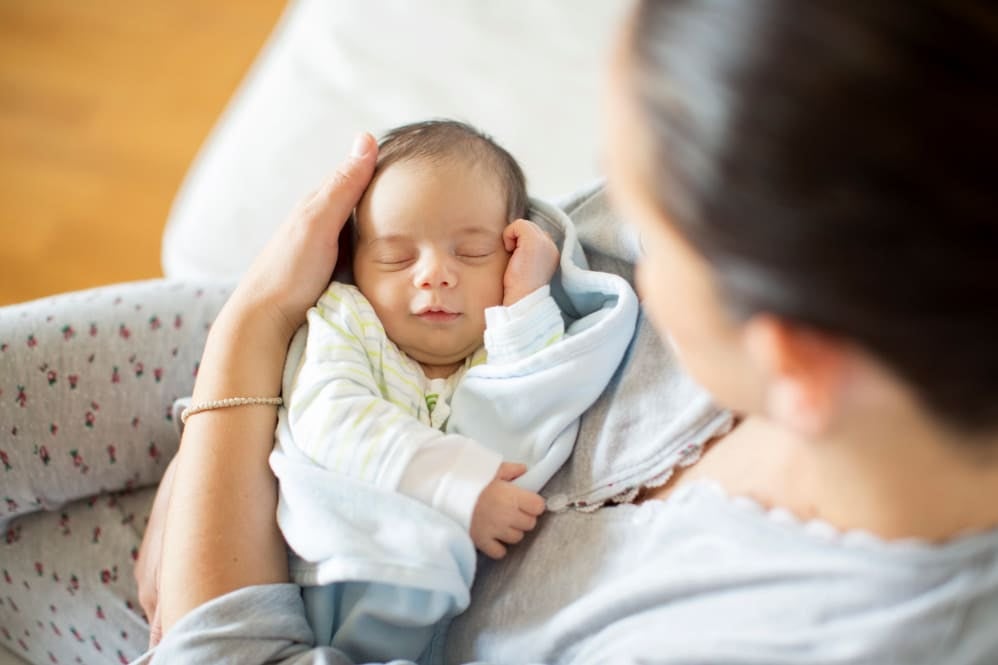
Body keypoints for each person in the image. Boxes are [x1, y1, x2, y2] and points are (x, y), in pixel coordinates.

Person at [1, 1, 996, 663]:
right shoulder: (849, 219)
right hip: (341, 362)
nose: (609, 231)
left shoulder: (798, 633)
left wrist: (242, 364)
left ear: (793, 361)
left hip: (324, 592)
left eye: (653, 231)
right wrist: (250, 358)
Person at [271, 120, 635, 661]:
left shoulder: (502, 342)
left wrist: (525, 299)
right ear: (353, 264)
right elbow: (330, 416)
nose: (435, 275)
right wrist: (457, 485)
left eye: (472, 252)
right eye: (396, 257)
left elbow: (529, 405)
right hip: (333, 579)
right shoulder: (348, 321)